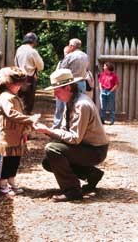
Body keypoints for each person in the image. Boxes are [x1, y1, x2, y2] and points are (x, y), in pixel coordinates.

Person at [34, 68, 109, 202]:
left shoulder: (82, 105)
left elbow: (74, 138)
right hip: (85, 147)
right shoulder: (71, 101)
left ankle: (72, 191)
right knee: (48, 161)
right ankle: (92, 174)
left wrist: (49, 131)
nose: (55, 95)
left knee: (52, 149)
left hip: (95, 150)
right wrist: (47, 132)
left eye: (57, 91)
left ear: (67, 88)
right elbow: (64, 130)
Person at [0, 66, 40, 195]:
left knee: (13, 162)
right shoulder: (5, 98)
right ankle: (2, 186)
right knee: (4, 162)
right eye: (17, 84)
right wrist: (29, 119)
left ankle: (11, 183)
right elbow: (12, 114)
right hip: (5, 138)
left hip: (15, 137)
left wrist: (25, 131)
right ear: (8, 84)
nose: (19, 87)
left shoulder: (13, 97)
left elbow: (18, 115)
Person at [14, 32, 44, 114]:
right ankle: (25, 122)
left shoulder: (18, 50)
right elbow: (41, 67)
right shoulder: (32, 51)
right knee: (28, 104)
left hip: (19, 78)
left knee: (19, 102)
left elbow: (16, 64)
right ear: (34, 42)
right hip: (29, 79)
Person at [52, 45, 71, 129]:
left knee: (68, 108)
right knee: (59, 108)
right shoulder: (60, 63)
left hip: (68, 88)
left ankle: (66, 126)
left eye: (68, 53)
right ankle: (56, 126)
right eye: (65, 53)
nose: (66, 55)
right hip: (60, 87)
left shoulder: (73, 63)